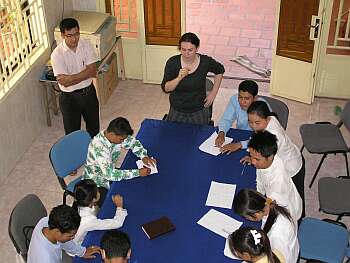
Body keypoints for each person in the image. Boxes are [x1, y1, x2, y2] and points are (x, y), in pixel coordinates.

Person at [247, 101, 305, 218]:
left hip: (292, 167)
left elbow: (273, 198)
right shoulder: (270, 119)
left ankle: (301, 221)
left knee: (293, 201)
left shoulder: (275, 138)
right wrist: (254, 157)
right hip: (285, 157)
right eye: (250, 122)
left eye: (257, 122)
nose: (253, 126)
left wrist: (264, 207)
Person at [83, 117, 156, 205]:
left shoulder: (115, 136)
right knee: (116, 205)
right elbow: (110, 175)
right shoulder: (99, 148)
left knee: (134, 186)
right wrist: (138, 173)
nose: (124, 141)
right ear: (112, 134)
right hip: (96, 182)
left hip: (109, 169)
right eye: (122, 139)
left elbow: (133, 143)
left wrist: (143, 156)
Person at [161, 32, 225, 125]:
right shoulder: (173, 62)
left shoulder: (205, 61)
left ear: (197, 48)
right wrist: (178, 78)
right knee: (173, 135)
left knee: (199, 136)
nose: (186, 53)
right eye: (183, 49)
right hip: (177, 108)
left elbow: (220, 70)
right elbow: (166, 89)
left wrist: (213, 93)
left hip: (198, 109)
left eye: (190, 50)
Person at [51, 18, 99, 138]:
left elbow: (93, 70)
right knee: (72, 134)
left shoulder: (86, 45)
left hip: (89, 93)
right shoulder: (57, 54)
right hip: (69, 99)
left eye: (76, 34)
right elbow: (64, 83)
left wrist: (72, 78)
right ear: (62, 35)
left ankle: (95, 155)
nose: (74, 39)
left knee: (94, 130)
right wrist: (85, 73)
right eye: (69, 35)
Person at [246, 131, 302, 222]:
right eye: (251, 156)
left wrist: (259, 210)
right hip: (273, 196)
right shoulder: (264, 162)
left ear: (271, 157)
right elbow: (260, 180)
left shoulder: (278, 182)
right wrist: (258, 194)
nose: (253, 162)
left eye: (256, 159)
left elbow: (270, 205)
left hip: (287, 210)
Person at [233, 189, 298, 263]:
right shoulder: (272, 199)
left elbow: (278, 259)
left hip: (286, 256)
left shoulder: (276, 236)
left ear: (256, 214)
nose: (246, 219)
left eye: (246, 217)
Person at [27, 204, 101, 263]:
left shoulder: (46, 222)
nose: (73, 237)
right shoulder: (46, 259)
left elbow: (64, 242)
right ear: (57, 232)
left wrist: (82, 252)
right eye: (71, 236)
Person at [215, 80, 269, 154]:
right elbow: (226, 119)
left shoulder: (262, 107)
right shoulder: (234, 99)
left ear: (255, 98)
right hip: (241, 135)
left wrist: (240, 145)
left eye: (247, 98)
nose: (242, 102)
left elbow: (265, 138)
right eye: (240, 97)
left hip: (257, 142)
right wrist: (221, 132)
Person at [73, 179, 128, 245]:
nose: (99, 191)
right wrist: (119, 206)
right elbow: (117, 223)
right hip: (80, 244)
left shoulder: (79, 201)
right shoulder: (88, 220)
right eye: (97, 191)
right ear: (93, 200)